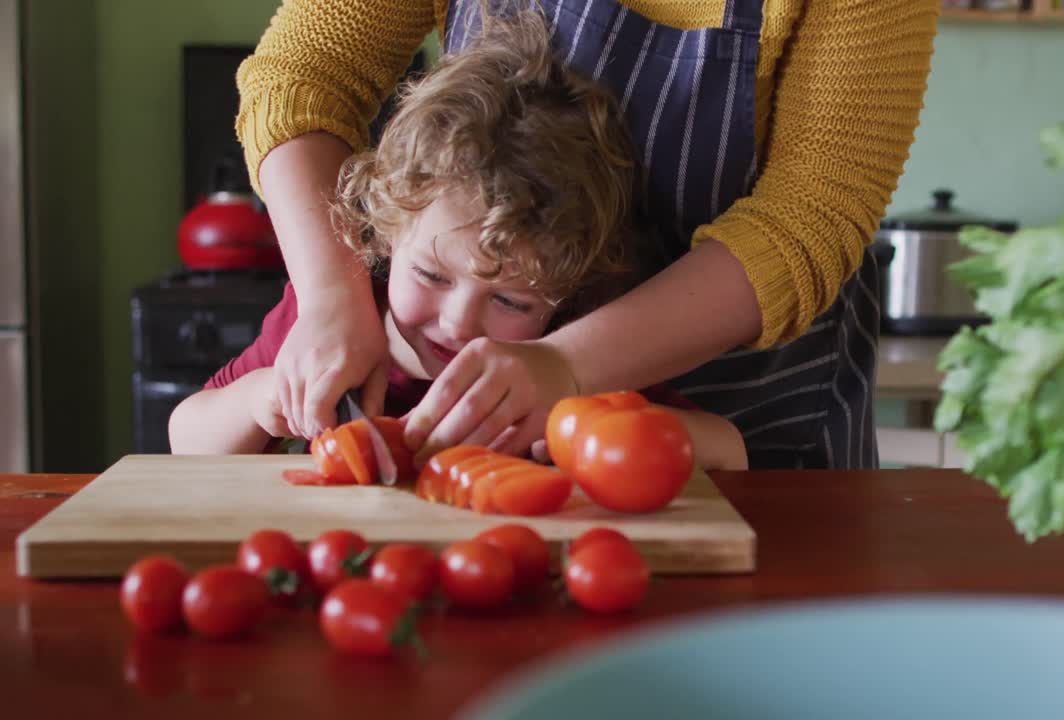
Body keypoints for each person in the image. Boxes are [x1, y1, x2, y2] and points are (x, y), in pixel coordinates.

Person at [235, 0, 938, 469]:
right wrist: (331, 293)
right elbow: (305, 74)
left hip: (754, 422)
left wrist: (566, 369)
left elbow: (812, 212)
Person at [170, 11, 748, 472]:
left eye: (511, 301)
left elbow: (728, 447)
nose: (457, 323)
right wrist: (264, 401)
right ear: (389, 227)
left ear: (565, 292)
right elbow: (184, 440)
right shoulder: (332, 317)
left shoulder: (575, 340)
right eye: (431, 274)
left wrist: (578, 425)